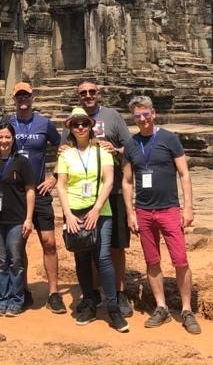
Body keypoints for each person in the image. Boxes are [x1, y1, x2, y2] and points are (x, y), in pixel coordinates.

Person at [122, 96, 201, 334]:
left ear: (153, 113)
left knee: (180, 260)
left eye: (146, 114)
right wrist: (130, 213)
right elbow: (127, 181)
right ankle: (161, 307)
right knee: (152, 261)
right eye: (137, 116)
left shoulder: (169, 138)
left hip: (169, 208)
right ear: (133, 118)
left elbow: (184, 174)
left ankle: (187, 309)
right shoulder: (131, 144)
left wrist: (188, 207)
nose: (143, 119)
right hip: (144, 211)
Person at [62, 80, 134, 319]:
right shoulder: (73, 121)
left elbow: (129, 147)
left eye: (92, 92)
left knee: (114, 245)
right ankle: (92, 294)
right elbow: (64, 151)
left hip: (110, 190)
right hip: (81, 199)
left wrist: (115, 150)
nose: (88, 95)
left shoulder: (113, 116)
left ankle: (119, 292)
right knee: (86, 245)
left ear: (98, 94)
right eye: (83, 93)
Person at [6, 82, 65, 313]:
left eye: (26, 96)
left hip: (40, 191)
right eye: (19, 96)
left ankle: (53, 293)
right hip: (15, 193)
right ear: (13, 99)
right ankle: (23, 290)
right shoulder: (7, 123)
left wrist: (55, 176)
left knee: (49, 242)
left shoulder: (44, 123)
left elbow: (63, 147)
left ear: (33, 98)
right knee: (17, 246)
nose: (23, 99)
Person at [0, 120, 35, 316]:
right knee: (1, 260)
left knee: (15, 260)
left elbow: (30, 191)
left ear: (13, 139)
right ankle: (3, 299)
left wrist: (29, 219)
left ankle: (16, 299)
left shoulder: (21, 162)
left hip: (16, 219)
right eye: (0, 137)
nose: (4, 141)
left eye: (7, 137)